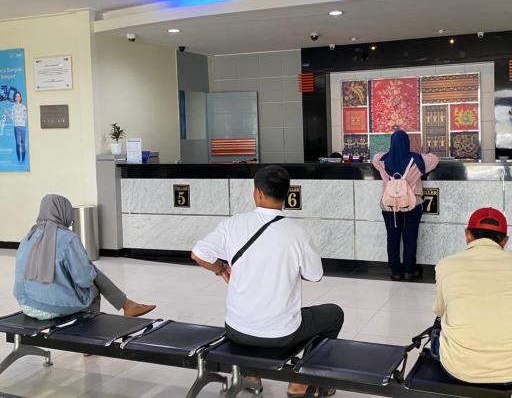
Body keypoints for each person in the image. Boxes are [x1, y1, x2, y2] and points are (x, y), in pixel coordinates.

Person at [191, 165, 344, 398]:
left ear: (258, 193)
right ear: (286, 194)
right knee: (334, 314)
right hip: (281, 335)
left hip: (236, 330)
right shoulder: (297, 232)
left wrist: (221, 268)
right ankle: (301, 382)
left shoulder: (233, 224)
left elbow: (198, 254)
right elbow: (315, 275)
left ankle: (251, 376)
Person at [431, 207, 512, 385]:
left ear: (467, 235)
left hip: (458, 370)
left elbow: (439, 311)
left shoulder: (446, 265)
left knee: (440, 324)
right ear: (505, 241)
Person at [14, 194, 156, 320]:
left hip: (26, 303)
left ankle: (128, 305)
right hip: (52, 309)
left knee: (88, 271)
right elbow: (84, 280)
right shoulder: (68, 239)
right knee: (93, 290)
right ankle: (90, 336)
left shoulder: (28, 237)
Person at [372, 130, 439, 281]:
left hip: (389, 206)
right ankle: (409, 270)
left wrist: (390, 152)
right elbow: (435, 159)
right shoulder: (417, 160)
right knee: (410, 238)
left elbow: (375, 157)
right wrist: (418, 153)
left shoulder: (382, 160)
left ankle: (396, 271)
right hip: (412, 204)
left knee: (392, 238)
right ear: (407, 143)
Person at [2, 91, 27, 163]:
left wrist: (22, 121)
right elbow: (12, 118)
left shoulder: (23, 107)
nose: (17, 98)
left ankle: (23, 160)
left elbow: (25, 117)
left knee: (23, 144)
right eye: (16, 96)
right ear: (15, 98)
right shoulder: (13, 107)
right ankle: (19, 160)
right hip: (16, 127)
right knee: (18, 144)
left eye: (18, 96)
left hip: (23, 127)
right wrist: (7, 114)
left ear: (20, 98)